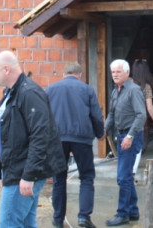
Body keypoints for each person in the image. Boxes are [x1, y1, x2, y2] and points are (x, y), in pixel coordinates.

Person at [0, 50, 66, 227]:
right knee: (25, 222)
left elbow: (40, 136)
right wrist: (3, 171)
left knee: (9, 223)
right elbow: (10, 136)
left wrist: (29, 176)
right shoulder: (10, 93)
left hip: (23, 171)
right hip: (15, 170)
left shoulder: (29, 93)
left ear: (6, 69)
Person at [46, 63, 105, 228]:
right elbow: (96, 116)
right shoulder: (87, 89)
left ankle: (58, 220)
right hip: (82, 139)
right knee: (86, 177)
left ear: (64, 74)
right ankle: (84, 217)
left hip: (57, 139)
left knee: (58, 178)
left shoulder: (50, 89)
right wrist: (100, 134)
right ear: (80, 74)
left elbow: (43, 115)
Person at [103, 59, 147, 226]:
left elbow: (141, 115)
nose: (115, 75)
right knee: (126, 175)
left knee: (123, 177)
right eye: (113, 72)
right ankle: (133, 211)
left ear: (127, 73)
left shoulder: (133, 90)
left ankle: (123, 214)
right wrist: (105, 129)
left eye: (118, 72)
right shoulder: (116, 90)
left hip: (131, 136)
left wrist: (129, 136)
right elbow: (112, 113)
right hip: (121, 135)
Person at [130, 59, 153, 178]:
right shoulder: (145, 87)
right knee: (137, 147)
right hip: (137, 120)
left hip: (124, 119)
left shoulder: (127, 83)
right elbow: (149, 107)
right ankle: (132, 171)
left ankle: (126, 170)